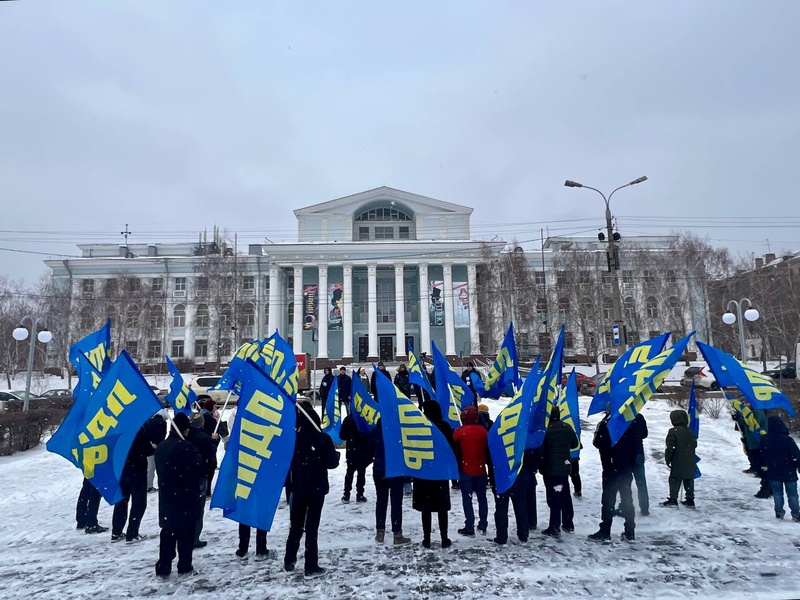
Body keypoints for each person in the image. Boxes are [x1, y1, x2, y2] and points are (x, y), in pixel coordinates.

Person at [284, 401, 340, 577]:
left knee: (296, 526)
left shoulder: (294, 440)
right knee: (312, 527)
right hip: (317, 489)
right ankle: (311, 564)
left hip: (299, 487)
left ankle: (289, 559)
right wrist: (334, 455)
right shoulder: (323, 439)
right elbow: (331, 463)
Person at [154, 413, 205, 579]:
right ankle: (184, 565)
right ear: (185, 430)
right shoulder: (186, 447)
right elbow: (199, 468)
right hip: (186, 496)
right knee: (185, 533)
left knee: (168, 532)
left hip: (167, 497)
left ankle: (164, 565)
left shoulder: (161, 447)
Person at [589, 409, 638, 542]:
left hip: (611, 469)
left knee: (608, 501)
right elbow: (635, 448)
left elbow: (597, 443)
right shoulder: (628, 424)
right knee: (627, 500)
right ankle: (630, 530)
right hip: (625, 469)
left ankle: (605, 530)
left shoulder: (606, 425)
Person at [413, 401, 453, 548]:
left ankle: (427, 538)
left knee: (426, 508)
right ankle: (444, 538)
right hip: (440, 472)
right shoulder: (445, 427)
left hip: (423, 472)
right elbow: (450, 448)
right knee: (442, 508)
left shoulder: (420, 427)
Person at [111, 421, 157, 543]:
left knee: (121, 501)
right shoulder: (138, 430)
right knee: (139, 502)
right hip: (137, 469)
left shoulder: (118, 430)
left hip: (122, 469)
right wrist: (152, 447)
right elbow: (146, 450)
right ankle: (132, 533)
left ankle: (116, 532)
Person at [370, 418, 411, 546]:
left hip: (379, 469)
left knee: (381, 501)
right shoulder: (398, 432)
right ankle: (397, 534)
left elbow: (370, 449)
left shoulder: (375, 431)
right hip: (395, 470)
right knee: (396, 503)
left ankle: (380, 533)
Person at [540, 406, 579, 537]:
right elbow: (575, 444)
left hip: (551, 469)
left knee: (554, 497)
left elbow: (542, 448)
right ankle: (568, 523)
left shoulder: (547, 430)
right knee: (565, 495)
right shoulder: (567, 427)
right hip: (564, 468)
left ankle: (554, 525)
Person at [453, 405, 489, 537]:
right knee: (482, 498)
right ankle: (483, 524)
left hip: (465, 469)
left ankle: (469, 525)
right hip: (480, 469)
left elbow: (456, 452)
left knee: (467, 499)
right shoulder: (483, 431)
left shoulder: (458, 432)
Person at [492, 448, 538, 545]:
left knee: (501, 508)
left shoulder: (495, 435)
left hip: (501, 476)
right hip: (518, 475)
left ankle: (501, 536)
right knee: (520, 506)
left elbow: (491, 456)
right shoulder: (520, 435)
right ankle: (523, 534)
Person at [760, 416, 800, 521]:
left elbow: (763, 454)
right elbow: (796, 455)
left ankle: (779, 512)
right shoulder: (788, 440)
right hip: (789, 470)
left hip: (773, 470)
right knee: (792, 494)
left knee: (777, 493)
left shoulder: (765, 439)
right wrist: (797, 466)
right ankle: (796, 514)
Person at [186, 415, 216, 549]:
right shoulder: (203, 438)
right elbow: (211, 456)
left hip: (185, 477)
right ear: (201, 424)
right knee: (198, 508)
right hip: (199, 476)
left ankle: (185, 536)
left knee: (187, 507)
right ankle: (194, 537)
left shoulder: (183, 437)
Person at [660, 409, 698, 508]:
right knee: (689, 478)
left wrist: (668, 459)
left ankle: (673, 498)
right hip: (690, 459)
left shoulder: (673, 432)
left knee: (675, 478)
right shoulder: (690, 431)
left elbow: (670, 447)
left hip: (678, 459)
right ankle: (690, 499)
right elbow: (695, 444)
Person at [733, 400, 771, 498]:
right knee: (759, 467)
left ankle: (766, 489)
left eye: (747, 402)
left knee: (762, 468)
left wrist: (739, 419)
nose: (745, 404)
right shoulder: (753, 412)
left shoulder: (757, 412)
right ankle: (768, 488)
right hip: (754, 443)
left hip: (758, 444)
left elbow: (752, 425)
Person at [339, 411, 373, 503]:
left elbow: (342, 436)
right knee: (361, 473)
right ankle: (360, 494)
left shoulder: (348, 419)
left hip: (351, 450)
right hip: (362, 450)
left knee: (349, 472)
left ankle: (346, 494)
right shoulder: (365, 419)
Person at [630, 413, 650, 516]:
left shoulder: (620, 416)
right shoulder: (639, 416)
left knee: (625, 483)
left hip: (625, 454)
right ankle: (645, 508)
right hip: (638, 453)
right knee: (641, 482)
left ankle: (626, 507)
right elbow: (645, 434)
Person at [146, 410, 169, 493]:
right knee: (152, 467)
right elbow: (162, 435)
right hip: (155, 448)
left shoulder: (149, 420)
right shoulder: (162, 423)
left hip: (146, 446)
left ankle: (146, 484)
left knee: (147, 467)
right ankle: (149, 486)